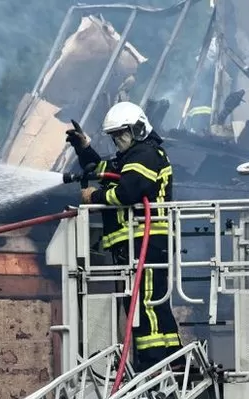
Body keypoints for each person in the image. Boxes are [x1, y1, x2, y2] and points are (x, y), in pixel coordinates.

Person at [64, 102, 184, 373]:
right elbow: (101, 169)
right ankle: (175, 360)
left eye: (122, 134)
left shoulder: (145, 155)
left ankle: (153, 366)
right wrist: (83, 148)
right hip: (138, 244)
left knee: (145, 306)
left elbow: (128, 191)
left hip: (147, 242)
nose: (118, 141)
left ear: (139, 129)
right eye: (115, 136)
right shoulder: (132, 157)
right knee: (153, 304)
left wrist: (92, 197)